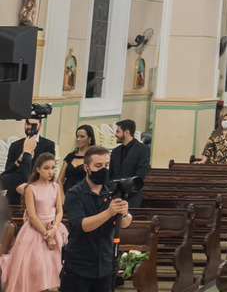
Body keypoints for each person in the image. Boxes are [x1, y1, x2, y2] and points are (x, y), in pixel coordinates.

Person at [61, 146, 133, 292]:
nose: (104, 170)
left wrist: (124, 213)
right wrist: (109, 212)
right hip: (79, 265)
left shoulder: (112, 191)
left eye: (106, 165)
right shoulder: (74, 193)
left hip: (105, 265)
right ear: (86, 167)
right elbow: (82, 225)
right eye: (98, 166)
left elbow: (125, 223)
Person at [1, 153, 68, 292]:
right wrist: (46, 233)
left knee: (51, 272)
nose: (50, 172)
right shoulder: (31, 188)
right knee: (36, 270)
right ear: (37, 169)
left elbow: (60, 211)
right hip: (35, 232)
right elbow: (32, 216)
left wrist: (54, 229)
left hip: (53, 229)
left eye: (53, 168)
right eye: (46, 168)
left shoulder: (56, 187)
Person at [4, 118, 55, 204]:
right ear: (24, 124)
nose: (30, 127)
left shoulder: (48, 145)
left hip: (38, 193)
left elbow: (48, 172)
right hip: (15, 192)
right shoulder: (15, 145)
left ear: (40, 126)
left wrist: (29, 185)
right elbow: (8, 170)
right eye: (28, 124)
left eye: (34, 125)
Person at [109, 119, 150, 207]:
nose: (115, 134)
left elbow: (140, 174)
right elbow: (110, 173)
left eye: (118, 131)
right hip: (115, 197)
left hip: (132, 197)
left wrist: (126, 190)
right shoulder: (115, 151)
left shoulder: (143, 150)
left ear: (126, 132)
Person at [58, 125, 96, 192]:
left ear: (90, 139)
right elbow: (60, 179)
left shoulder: (93, 157)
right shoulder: (70, 156)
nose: (78, 139)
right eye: (77, 136)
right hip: (66, 193)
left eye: (82, 137)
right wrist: (62, 197)